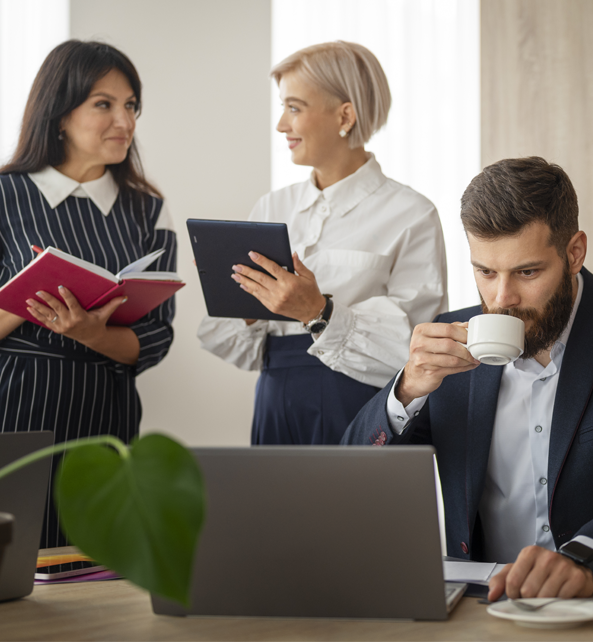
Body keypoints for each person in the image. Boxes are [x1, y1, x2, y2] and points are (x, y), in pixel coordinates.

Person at [342, 157, 593, 601]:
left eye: (527, 272)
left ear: (574, 252)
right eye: (486, 272)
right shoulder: (450, 340)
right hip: (481, 606)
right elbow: (350, 476)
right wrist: (407, 388)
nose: (502, 299)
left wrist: (582, 557)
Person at [198, 41, 448, 445]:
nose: (281, 125)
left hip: (360, 406)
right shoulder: (272, 206)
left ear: (344, 114)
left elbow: (416, 348)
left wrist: (318, 311)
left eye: (294, 108)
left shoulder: (411, 214)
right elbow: (226, 341)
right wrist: (247, 305)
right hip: (274, 402)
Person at [0, 40, 177, 548]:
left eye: (131, 105)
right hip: (17, 405)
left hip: (106, 412)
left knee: (96, 566)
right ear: (59, 114)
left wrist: (91, 333)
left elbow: (157, 337)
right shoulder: (6, 195)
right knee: (16, 564)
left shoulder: (147, 210)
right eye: (104, 104)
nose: (123, 119)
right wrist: (29, 295)